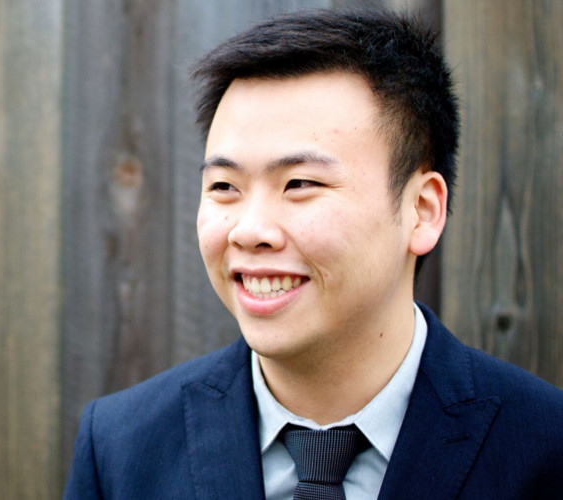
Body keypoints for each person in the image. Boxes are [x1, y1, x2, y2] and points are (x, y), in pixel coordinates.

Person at [63, 8, 563, 500]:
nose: (250, 230)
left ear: (422, 209)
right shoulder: (120, 448)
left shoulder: (544, 446)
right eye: (224, 186)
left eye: (300, 183)